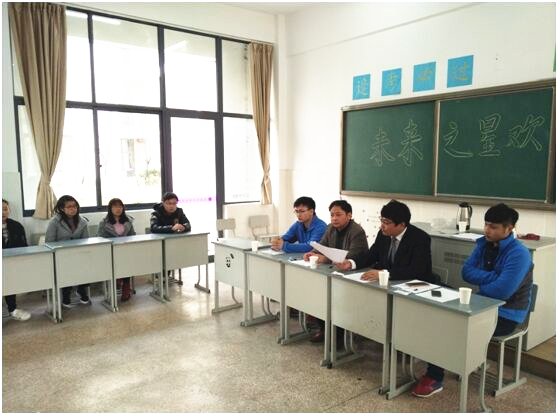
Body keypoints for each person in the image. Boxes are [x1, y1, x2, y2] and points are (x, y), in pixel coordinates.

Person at [413, 203, 533, 398]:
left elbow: (502, 292)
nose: (487, 230)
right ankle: (452, 363)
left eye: (493, 227)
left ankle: (435, 377)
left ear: (509, 228)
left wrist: (485, 284)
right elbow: (467, 272)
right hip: (480, 304)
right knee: (438, 313)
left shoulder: (519, 253)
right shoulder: (483, 244)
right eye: (486, 224)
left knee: (450, 325)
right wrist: (495, 276)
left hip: (506, 314)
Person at [302, 200, 369, 343]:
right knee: (319, 295)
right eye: (332, 215)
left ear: (349, 215)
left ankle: (339, 336)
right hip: (334, 272)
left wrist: (324, 259)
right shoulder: (330, 228)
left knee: (336, 301)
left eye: (338, 215)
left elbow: (352, 256)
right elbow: (322, 245)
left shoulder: (357, 231)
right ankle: (324, 329)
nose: (334, 218)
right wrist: (312, 253)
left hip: (353, 274)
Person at [337, 200, 432, 282]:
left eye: (386, 222)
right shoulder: (383, 234)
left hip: (411, 285)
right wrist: (351, 263)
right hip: (388, 284)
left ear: (402, 225)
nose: (381, 226)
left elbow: (417, 270)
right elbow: (371, 255)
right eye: (381, 220)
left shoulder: (420, 238)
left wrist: (384, 274)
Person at [45, 195, 90, 308]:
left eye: (75, 206)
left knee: (86, 265)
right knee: (65, 268)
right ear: (62, 208)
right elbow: (49, 242)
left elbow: (86, 240)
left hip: (79, 255)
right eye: (69, 207)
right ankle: (66, 293)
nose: (73, 209)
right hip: (61, 256)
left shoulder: (82, 221)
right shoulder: (54, 222)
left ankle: (82, 289)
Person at [97, 198, 136, 302]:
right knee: (117, 264)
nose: (118, 209)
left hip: (126, 251)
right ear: (110, 208)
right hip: (110, 252)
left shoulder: (128, 221)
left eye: (120, 206)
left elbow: (133, 236)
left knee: (127, 264)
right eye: (115, 206)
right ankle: (117, 281)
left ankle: (126, 289)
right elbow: (99, 238)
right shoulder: (104, 223)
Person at [2, 199, 31, 321]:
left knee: (10, 282)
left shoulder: (16, 226)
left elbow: (24, 246)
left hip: (12, 263)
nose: (2, 212)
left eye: (5, 209)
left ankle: (12, 309)